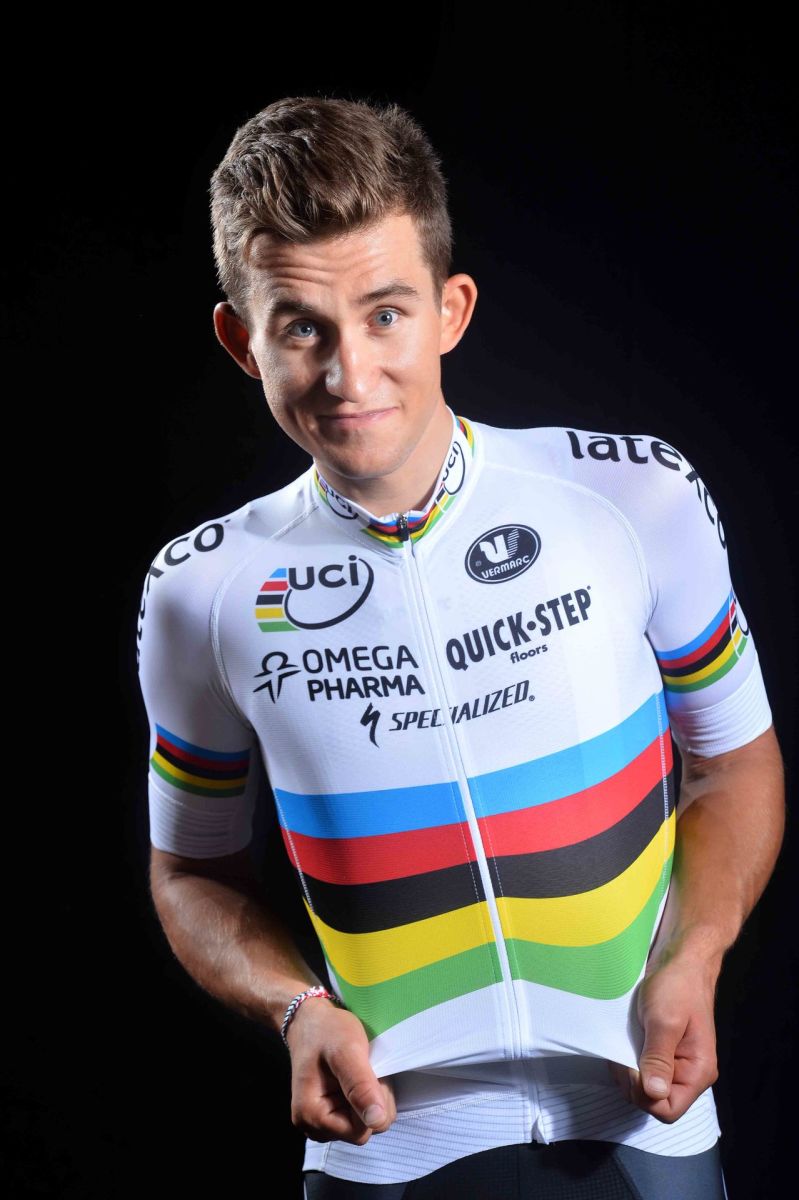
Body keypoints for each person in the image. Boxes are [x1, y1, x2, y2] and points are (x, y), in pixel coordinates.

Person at [135, 95, 785, 1199]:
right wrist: (296, 1009)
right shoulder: (202, 591)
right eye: (302, 327)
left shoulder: (632, 496)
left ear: (451, 309)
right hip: (386, 1141)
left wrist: (697, 951)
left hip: (641, 1110)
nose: (349, 376)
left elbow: (733, 761)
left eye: (384, 314)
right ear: (242, 342)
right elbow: (189, 871)